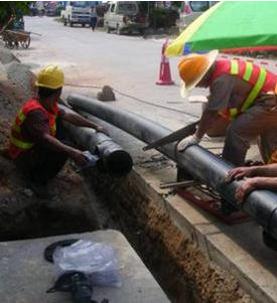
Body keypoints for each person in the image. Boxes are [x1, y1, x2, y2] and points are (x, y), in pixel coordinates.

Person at [8, 64, 106, 198]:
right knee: (65, 147)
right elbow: (45, 138)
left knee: (60, 125)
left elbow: (69, 116)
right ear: (59, 91)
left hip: (29, 149)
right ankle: (37, 181)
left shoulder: (43, 103)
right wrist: (72, 152)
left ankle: (42, 170)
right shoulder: (36, 113)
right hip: (23, 157)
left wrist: (94, 126)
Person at [177, 50, 277, 166]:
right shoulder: (223, 68)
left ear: (203, 75)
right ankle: (271, 174)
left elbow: (211, 112)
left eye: (196, 83)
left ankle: (229, 172)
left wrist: (196, 137)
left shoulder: (222, 79)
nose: (198, 86)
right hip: (269, 100)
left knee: (237, 131)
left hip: (270, 101)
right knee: (268, 140)